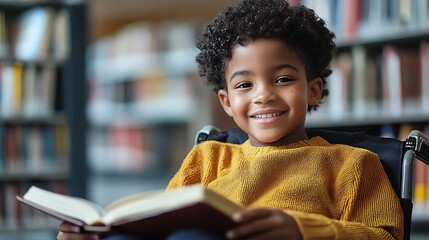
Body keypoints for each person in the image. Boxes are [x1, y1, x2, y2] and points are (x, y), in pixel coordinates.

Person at [57, 0, 404, 239]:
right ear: (226, 101)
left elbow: (383, 236)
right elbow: (159, 224)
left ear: (313, 90)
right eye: (244, 85)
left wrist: (302, 231)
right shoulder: (207, 158)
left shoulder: (353, 165)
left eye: (283, 79)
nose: (263, 95)